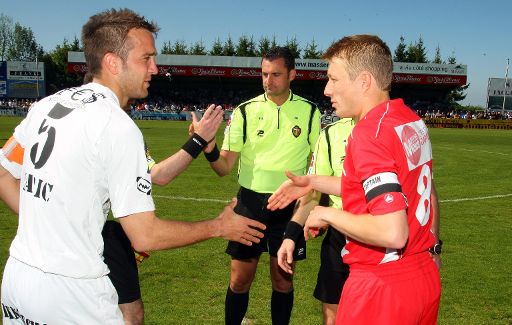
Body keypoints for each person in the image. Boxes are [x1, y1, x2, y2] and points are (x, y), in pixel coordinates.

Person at [0, 8, 265, 324]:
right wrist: (219, 226)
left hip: (19, 279)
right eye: (146, 58)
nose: (155, 67)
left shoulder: (47, 105)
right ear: (113, 62)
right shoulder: (116, 126)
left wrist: (53, 221)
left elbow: (3, 173)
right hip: (73, 292)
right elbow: (145, 236)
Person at [268, 35, 442, 324]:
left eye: (334, 79)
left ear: (363, 81)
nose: (326, 89)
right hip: (421, 275)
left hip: (381, 286)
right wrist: (313, 182)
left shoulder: (368, 133)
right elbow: (382, 192)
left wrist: (326, 213)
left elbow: (392, 232)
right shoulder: (408, 120)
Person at [202, 46, 321, 324]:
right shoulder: (244, 112)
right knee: (239, 280)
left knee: (283, 282)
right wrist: (209, 148)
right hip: (250, 205)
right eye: (265, 74)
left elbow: (318, 170)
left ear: (292, 74)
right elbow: (223, 167)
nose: (269, 81)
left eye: (276, 74)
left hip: (290, 208)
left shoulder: (311, 113)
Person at [276, 118, 354, 325]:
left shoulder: (395, 128)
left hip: (381, 237)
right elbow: (313, 193)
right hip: (338, 237)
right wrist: (290, 236)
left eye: (335, 82)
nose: (328, 90)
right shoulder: (331, 134)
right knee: (332, 315)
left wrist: (433, 246)